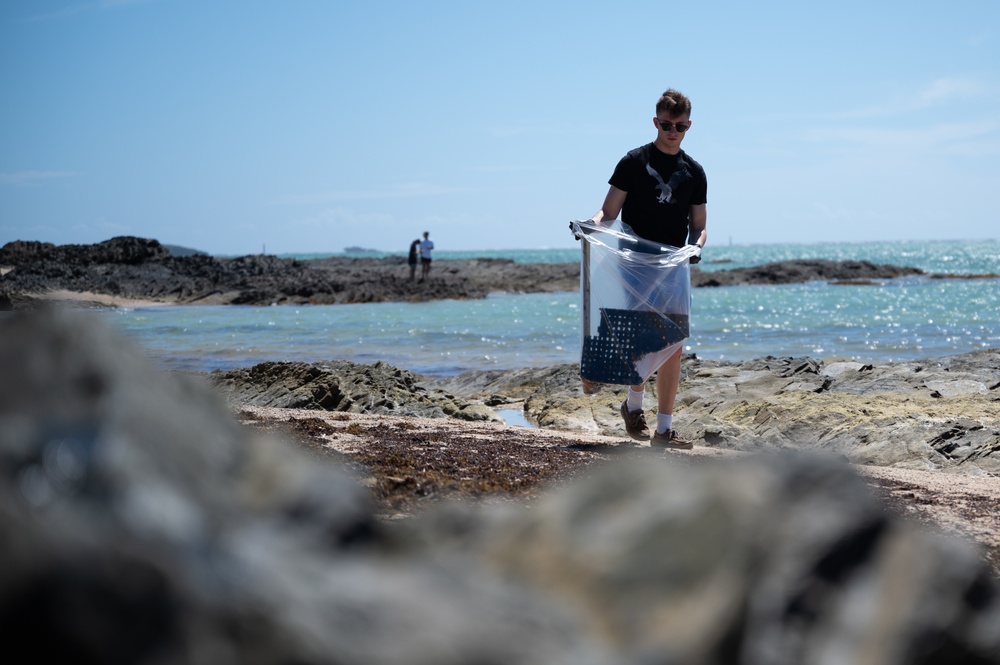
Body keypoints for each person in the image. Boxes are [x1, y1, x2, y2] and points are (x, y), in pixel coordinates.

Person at [587, 88, 707, 450]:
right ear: (656, 122)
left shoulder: (694, 172)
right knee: (644, 338)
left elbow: (699, 225)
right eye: (667, 124)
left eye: (681, 126)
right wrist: (588, 226)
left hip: (673, 266)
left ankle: (663, 430)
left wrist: (695, 248)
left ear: (689, 125)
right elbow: (608, 213)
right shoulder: (633, 162)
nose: (673, 131)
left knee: (673, 344)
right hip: (634, 264)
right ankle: (634, 406)